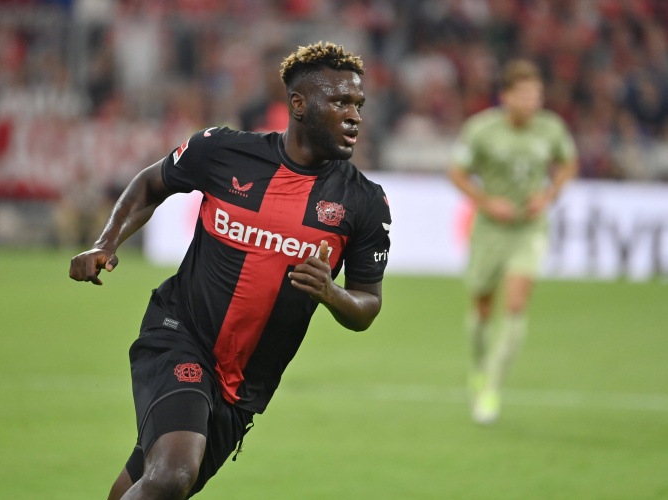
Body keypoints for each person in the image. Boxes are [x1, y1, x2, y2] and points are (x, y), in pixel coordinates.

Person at [69, 41, 391, 499]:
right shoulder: (222, 151)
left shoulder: (364, 202)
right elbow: (150, 184)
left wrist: (331, 293)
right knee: (172, 475)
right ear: (298, 104)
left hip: (244, 388)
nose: (355, 116)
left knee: (149, 484)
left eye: (358, 104)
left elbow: (368, 304)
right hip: (180, 335)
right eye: (341, 102)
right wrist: (105, 242)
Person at [447, 60, 577, 425]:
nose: (531, 101)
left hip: (529, 229)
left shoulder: (551, 128)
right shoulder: (482, 130)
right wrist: (486, 201)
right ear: (506, 96)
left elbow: (568, 163)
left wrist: (548, 195)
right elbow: (456, 172)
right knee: (482, 306)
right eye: (524, 94)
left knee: (516, 304)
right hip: (490, 229)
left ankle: (492, 386)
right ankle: (478, 366)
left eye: (536, 95)